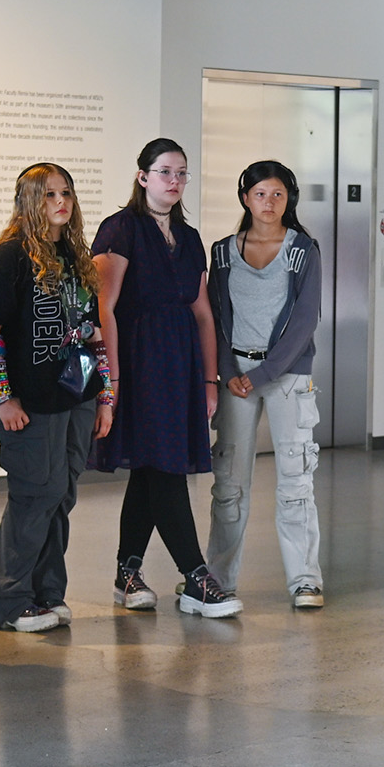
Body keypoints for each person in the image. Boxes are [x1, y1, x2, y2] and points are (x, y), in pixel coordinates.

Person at [91, 139, 239, 618]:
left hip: (179, 364)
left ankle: (127, 572)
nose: (174, 181)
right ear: (142, 177)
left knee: (153, 466)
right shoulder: (121, 229)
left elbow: (202, 312)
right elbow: (103, 309)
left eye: (181, 173)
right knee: (165, 468)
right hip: (136, 361)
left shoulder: (190, 237)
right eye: (164, 172)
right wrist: (109, 382)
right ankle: (195, 576)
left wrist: (209, 380)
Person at [0, 164, 112, 633]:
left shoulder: (76, 256)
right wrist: (1, 399)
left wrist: (105, 397)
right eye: (49, 194)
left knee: (62, 495)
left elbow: (93, 334)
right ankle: (10, 603)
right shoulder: (9, 257)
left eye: (66, 193)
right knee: (35, 495)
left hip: (76, 393)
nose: (61, 202)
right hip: (29, 402)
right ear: (29, 201)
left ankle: (47, 593)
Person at [205, 161, 326, 609]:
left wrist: (260, 375)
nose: (269, 203)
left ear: (288, 199)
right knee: (229, 483)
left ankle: (305, 581)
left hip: (287, 377)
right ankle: (218, 578)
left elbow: (305, 320)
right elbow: (215, 318)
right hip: (235, 376)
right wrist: (226, 372)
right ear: (245, 199)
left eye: (278, 195)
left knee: (296, 479)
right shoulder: (221, 252)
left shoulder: (302, 250)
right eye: (260, 194)